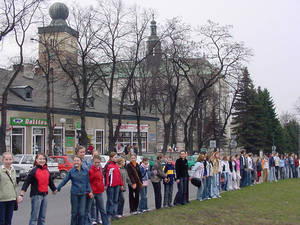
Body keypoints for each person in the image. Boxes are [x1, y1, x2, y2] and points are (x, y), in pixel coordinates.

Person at [20, 153, 57, 225]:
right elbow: (26, 182)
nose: (42, 160)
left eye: (43, 159)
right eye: (40, 159)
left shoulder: (46, 170)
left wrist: (54, 189)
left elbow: (50, 181)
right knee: (34, 217)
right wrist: (22, 194)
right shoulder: (34, 170)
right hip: (36, 196)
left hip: (45, 195)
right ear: (36, 160)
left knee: (42, 217)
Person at [57, 155, 92, 225]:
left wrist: (90, 191)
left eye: (78, 161)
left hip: (83, 194)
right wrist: (58, 188)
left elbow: (87, 182)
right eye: (75, 161)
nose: (76, 162)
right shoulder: (71, 171)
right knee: (74, 213)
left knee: (82, 213)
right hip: (74, 194)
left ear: (81, 162)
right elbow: (65, 181)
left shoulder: (85, 171)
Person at [0, 152, 22, 225]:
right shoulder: (0, 171)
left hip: (11, 199)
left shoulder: (13, 170)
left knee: (8, 220)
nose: (8, 161)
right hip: (1, 199)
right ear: (2, 160)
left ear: (12, 160)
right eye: (6, 159)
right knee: (1, 221)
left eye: (10, 159)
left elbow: (14, 185)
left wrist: (17, 196)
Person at [88, 155, 110, 225]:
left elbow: (101, 179)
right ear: (93, 162)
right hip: (92, 192)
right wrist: (90, 191)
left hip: (99, 192)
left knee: (102, 209)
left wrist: (103, 186)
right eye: (95, 162)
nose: (97, 164)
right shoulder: (90, 170)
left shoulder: (100, 169)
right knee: (89, 208)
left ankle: (106, 223)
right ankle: (90, 221)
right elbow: (88, 182)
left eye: (98, 162)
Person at [105, 152, 123, 220]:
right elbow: (106, 176)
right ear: (111, 158)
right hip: (111, 186)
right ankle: (109, 214)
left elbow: (119, 176)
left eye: (117, 157)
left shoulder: (116, 166)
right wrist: (106, 185)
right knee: (110, 200)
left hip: (117, 185)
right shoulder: (109, 165)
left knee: (115, 200)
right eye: (115, 157)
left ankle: (114, 213)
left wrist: (121, 184)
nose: (116, 158)